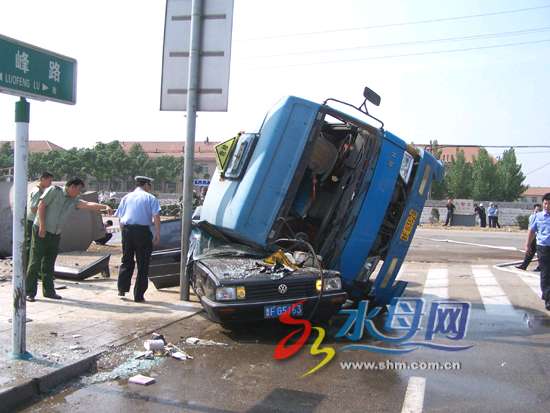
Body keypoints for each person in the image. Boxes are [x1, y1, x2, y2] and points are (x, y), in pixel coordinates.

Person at [26, 178, 113, 301]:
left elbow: (87, 205)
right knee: (35, 261)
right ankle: (29, 292)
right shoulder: (54, 191)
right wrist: (42, 226)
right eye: (78, 190)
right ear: (72, 186)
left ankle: (49, 291)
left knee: (49, 263)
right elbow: (41, 206)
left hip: (55, 234)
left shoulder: (74, 200)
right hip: (41, 230)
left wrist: (104, 206)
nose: (79, 193)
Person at [115, 176, 161, 302]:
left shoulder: (126, 197)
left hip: (127, 231)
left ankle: (122, 288)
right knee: (143, 263)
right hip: (142, 232)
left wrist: (123, 234)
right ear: (146, 185)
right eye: (150, 185)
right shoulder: (150, 198)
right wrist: (157, 234)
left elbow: (120, 217)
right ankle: (138, 295)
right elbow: (156, 216)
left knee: (126, 260)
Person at [526, 193, 550, 310]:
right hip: (543, 248)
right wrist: (528, 244)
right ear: (543, 204)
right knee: (545, 273)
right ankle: (548, 299)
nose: (547, 206)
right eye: (545, 203)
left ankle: (547, 294)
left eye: (549, 204)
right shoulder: (538, 216)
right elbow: (532, 231)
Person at [25, 172, 54, 266]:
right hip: (32, 221)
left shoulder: (41, 190)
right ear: (42, 179)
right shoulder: (37, 191)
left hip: (34, 220)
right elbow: (33, 208)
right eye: (49, 180)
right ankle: (28, 267)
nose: (50, 183)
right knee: (32, 246)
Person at [517, 204, 542, 271]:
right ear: (534, 210)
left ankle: (540, 267)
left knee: (540, 252)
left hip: (539, 237)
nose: (537, 212)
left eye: (539, 211)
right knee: (530, 251)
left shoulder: (542, 218)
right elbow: (530, 227)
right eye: (536, 211)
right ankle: (524, 265)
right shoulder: (531, 217)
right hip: (533, 236)